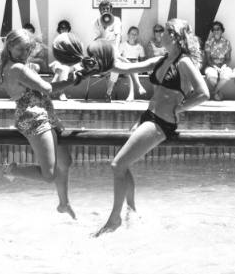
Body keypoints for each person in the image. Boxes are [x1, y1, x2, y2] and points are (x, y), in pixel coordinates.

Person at [76, 19, 209, 235]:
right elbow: (124, 67)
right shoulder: (160, 59)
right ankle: (131, 209)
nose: (159, 35)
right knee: (123, 164)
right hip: (148, 116)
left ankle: (114, 219)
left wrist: (180, 108)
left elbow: (204, 93)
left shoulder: (184, 63)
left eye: (164, 32)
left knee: (117, 165)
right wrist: (97, 64)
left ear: (174, 36)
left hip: (161, 123)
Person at [0, 29, 82, 219]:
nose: (25, 54)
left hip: (45, 113)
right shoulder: (17, 68)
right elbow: (47, 88)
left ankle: (63, 203)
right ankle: (12, 170)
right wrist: (70, 76)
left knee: (65, 162)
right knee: (49, 175)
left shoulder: (14, 65)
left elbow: (46, 90)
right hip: (33, 118)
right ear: (10, 46)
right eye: (21, 49)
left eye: (28, 50)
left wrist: (70, 81)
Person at [93, 0, 122, 102]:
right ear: (100, 10)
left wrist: (116, 49)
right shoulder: (96, 22)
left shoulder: (117, 20)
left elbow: (117, 36)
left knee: (116, 68)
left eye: (107, 9)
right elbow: (97, 39)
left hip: (113, 49)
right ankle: (108, 92)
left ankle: (108, 92)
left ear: (111, 10)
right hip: (102, 50)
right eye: (103, 9)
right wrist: (104, 27)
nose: (105, 10)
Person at [204, 21, 233, 101]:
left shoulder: (227, 43)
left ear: (222, 30)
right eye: (214, 29)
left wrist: (223, 66)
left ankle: (214, 92)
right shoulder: (208, 43)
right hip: (212, 66)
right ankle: (217, 92)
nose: (216, 31)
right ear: (212, 31)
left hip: (223, 65)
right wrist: (215, 67)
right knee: (212, 76)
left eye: (218, 29)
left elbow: (228, 59)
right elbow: (208, 59)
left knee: (226, 75)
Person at [116, 26, 146, 101]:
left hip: (135, 65)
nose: (133, 36)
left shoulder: (140, 47)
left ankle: (131, 94)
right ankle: (139, 86)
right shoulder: (123, 45)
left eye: (135, 34)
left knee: (132, 69)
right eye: (132, 34)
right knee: (130, 69)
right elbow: (117, 57)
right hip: (125, 65)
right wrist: (125, 61)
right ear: (128, 34)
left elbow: (142, 60)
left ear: (137, 36)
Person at [49, 20, 72, 101]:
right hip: (58, 64)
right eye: (62, 28)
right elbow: (57, 56)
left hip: (70, 65)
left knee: (64, 68)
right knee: (62, 68)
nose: (64, 29)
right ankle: (61, 93)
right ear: (59, 29)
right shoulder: (56, 41)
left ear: (68, 29)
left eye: (66, 28)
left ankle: (53, 85)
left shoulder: (72, 40)